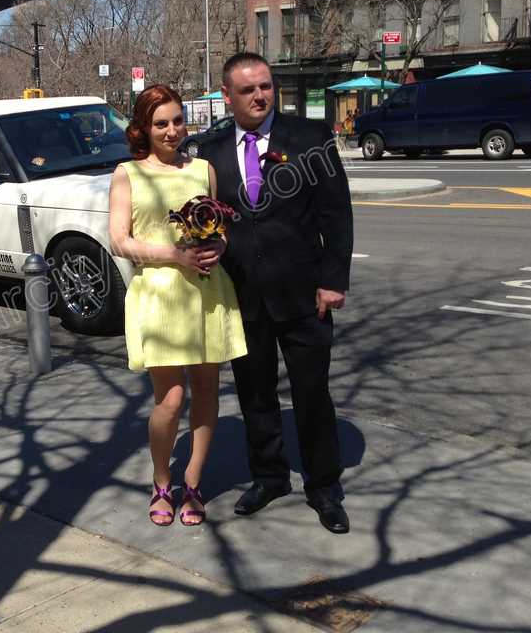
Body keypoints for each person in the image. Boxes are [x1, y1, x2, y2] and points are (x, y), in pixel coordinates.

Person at [199, 52, 354, 534]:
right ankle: (269, 476)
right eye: (248, 90)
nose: (260, 96)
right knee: (254, 393)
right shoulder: (210, 150)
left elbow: (337, 214)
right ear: (227, 96)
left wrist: (332, 281)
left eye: (265, 86)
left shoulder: (310, 139)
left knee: (312, 394)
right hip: (242, 295)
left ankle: (323, 486)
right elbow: (199, 214)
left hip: (304, 294)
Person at [108, 84, 247, 527]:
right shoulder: (127, 173)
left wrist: (218, 247)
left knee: (207, 391)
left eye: (177, 121)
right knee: (169, 401)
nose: (171, 131)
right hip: (159, 296)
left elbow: (221, 228)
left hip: (206, 291)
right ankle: (161, 479)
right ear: (144, 129)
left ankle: (193, 482)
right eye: (161, 123)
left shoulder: (203, 169)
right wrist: (175, 255)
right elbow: (120, 240)